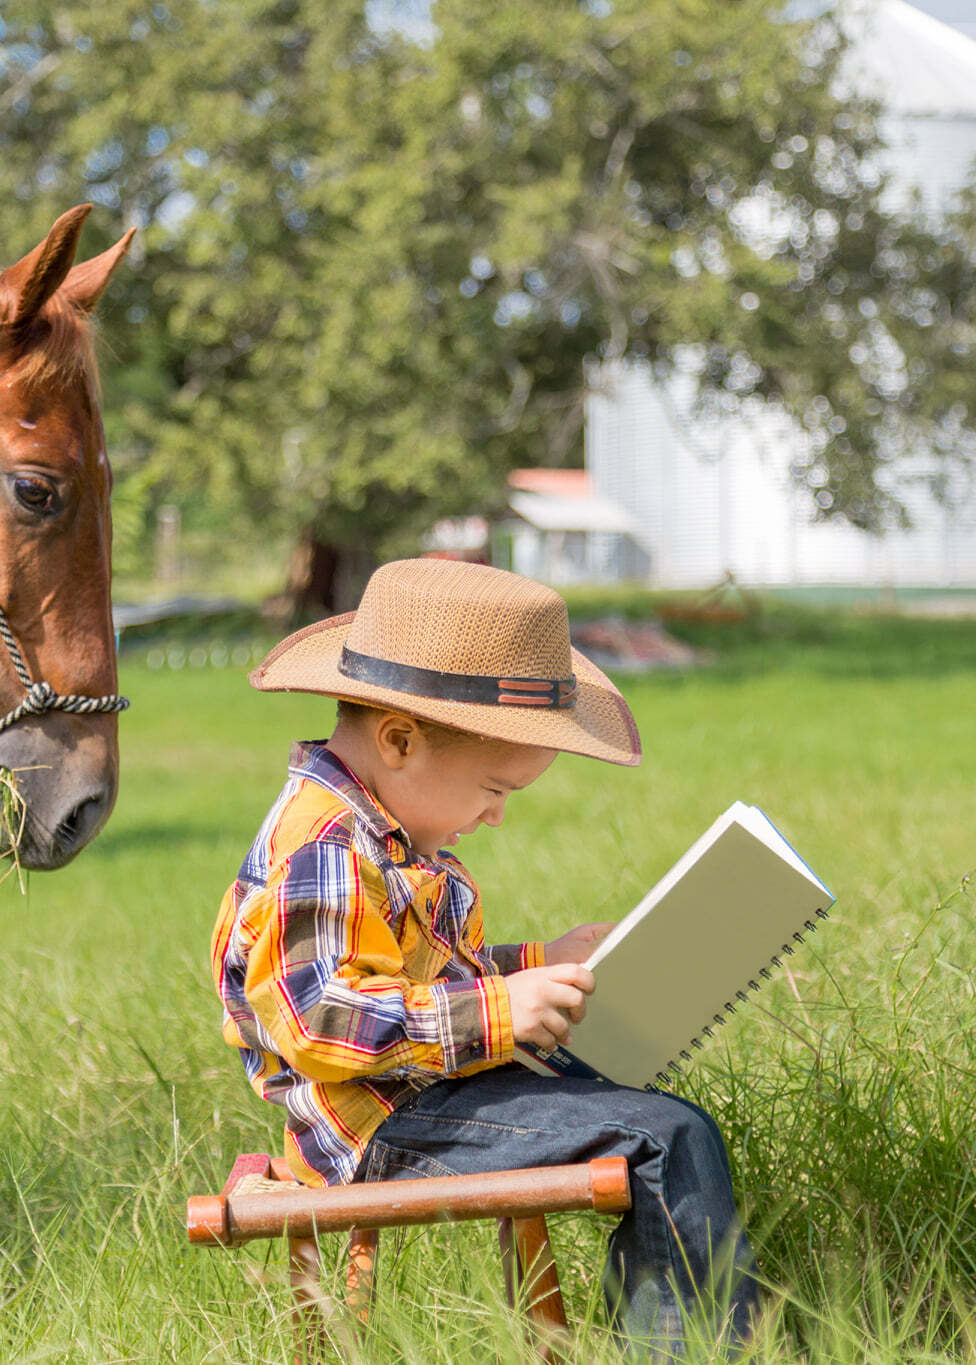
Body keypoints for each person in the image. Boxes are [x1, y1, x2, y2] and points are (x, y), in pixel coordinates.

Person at [209, 557, 757, 1353]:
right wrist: (503, 1012)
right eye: (495, 788)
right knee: (663, 1138)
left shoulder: (376, 830)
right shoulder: (326, 845)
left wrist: (536, 963)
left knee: (642, 1096)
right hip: (384, 1122)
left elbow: (408, 971)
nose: (496, 816)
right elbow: (321, 1016)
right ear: (399, 740)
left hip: (419, 1091)